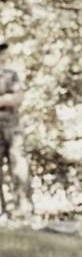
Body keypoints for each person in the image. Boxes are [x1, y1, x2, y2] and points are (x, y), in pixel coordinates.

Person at [0, 38, 32, 219]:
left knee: (19, 166)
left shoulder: (11, 74)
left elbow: (17, 98)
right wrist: (6, 98)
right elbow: (10, 98)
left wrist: (7, 99)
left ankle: (24, 211)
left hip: (12, 127)